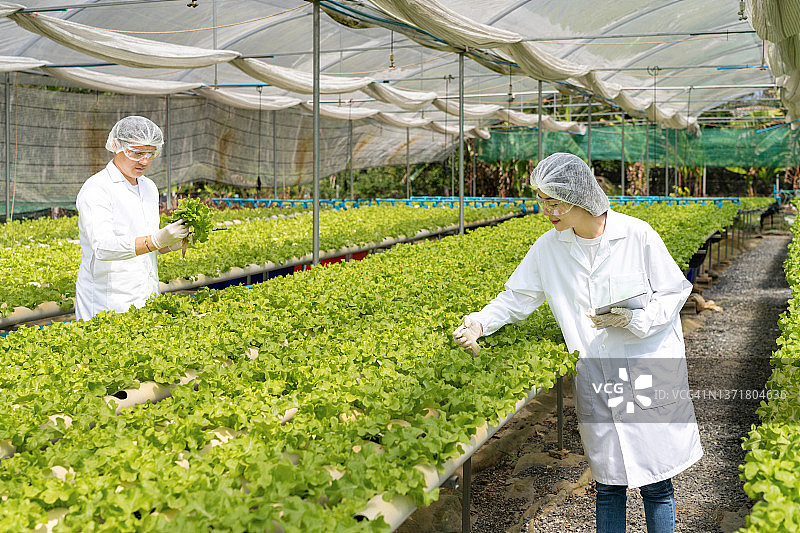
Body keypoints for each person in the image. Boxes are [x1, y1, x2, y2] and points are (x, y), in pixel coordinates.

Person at [453, 153, 702, 533]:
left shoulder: (636, 235)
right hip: (597, 376)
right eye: (541, 201)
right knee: (608, 484)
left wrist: (635, 319)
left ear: (580, 196)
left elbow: (673, 291)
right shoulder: (548, 248)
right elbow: (517, 298)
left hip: (645, 367)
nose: (547, 211)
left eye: (555, 202)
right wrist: (478, 324)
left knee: (656, 484)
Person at [75, 116, 189, 320]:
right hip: (108, 302)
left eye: (151, 154)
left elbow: (148, 241)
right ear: (116, 146)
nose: (144, 161)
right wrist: (154, 241)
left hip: (146, 294)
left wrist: (171, 243)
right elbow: (102, 247)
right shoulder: (97, 189)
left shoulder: (149, 187)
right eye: (137, 153)